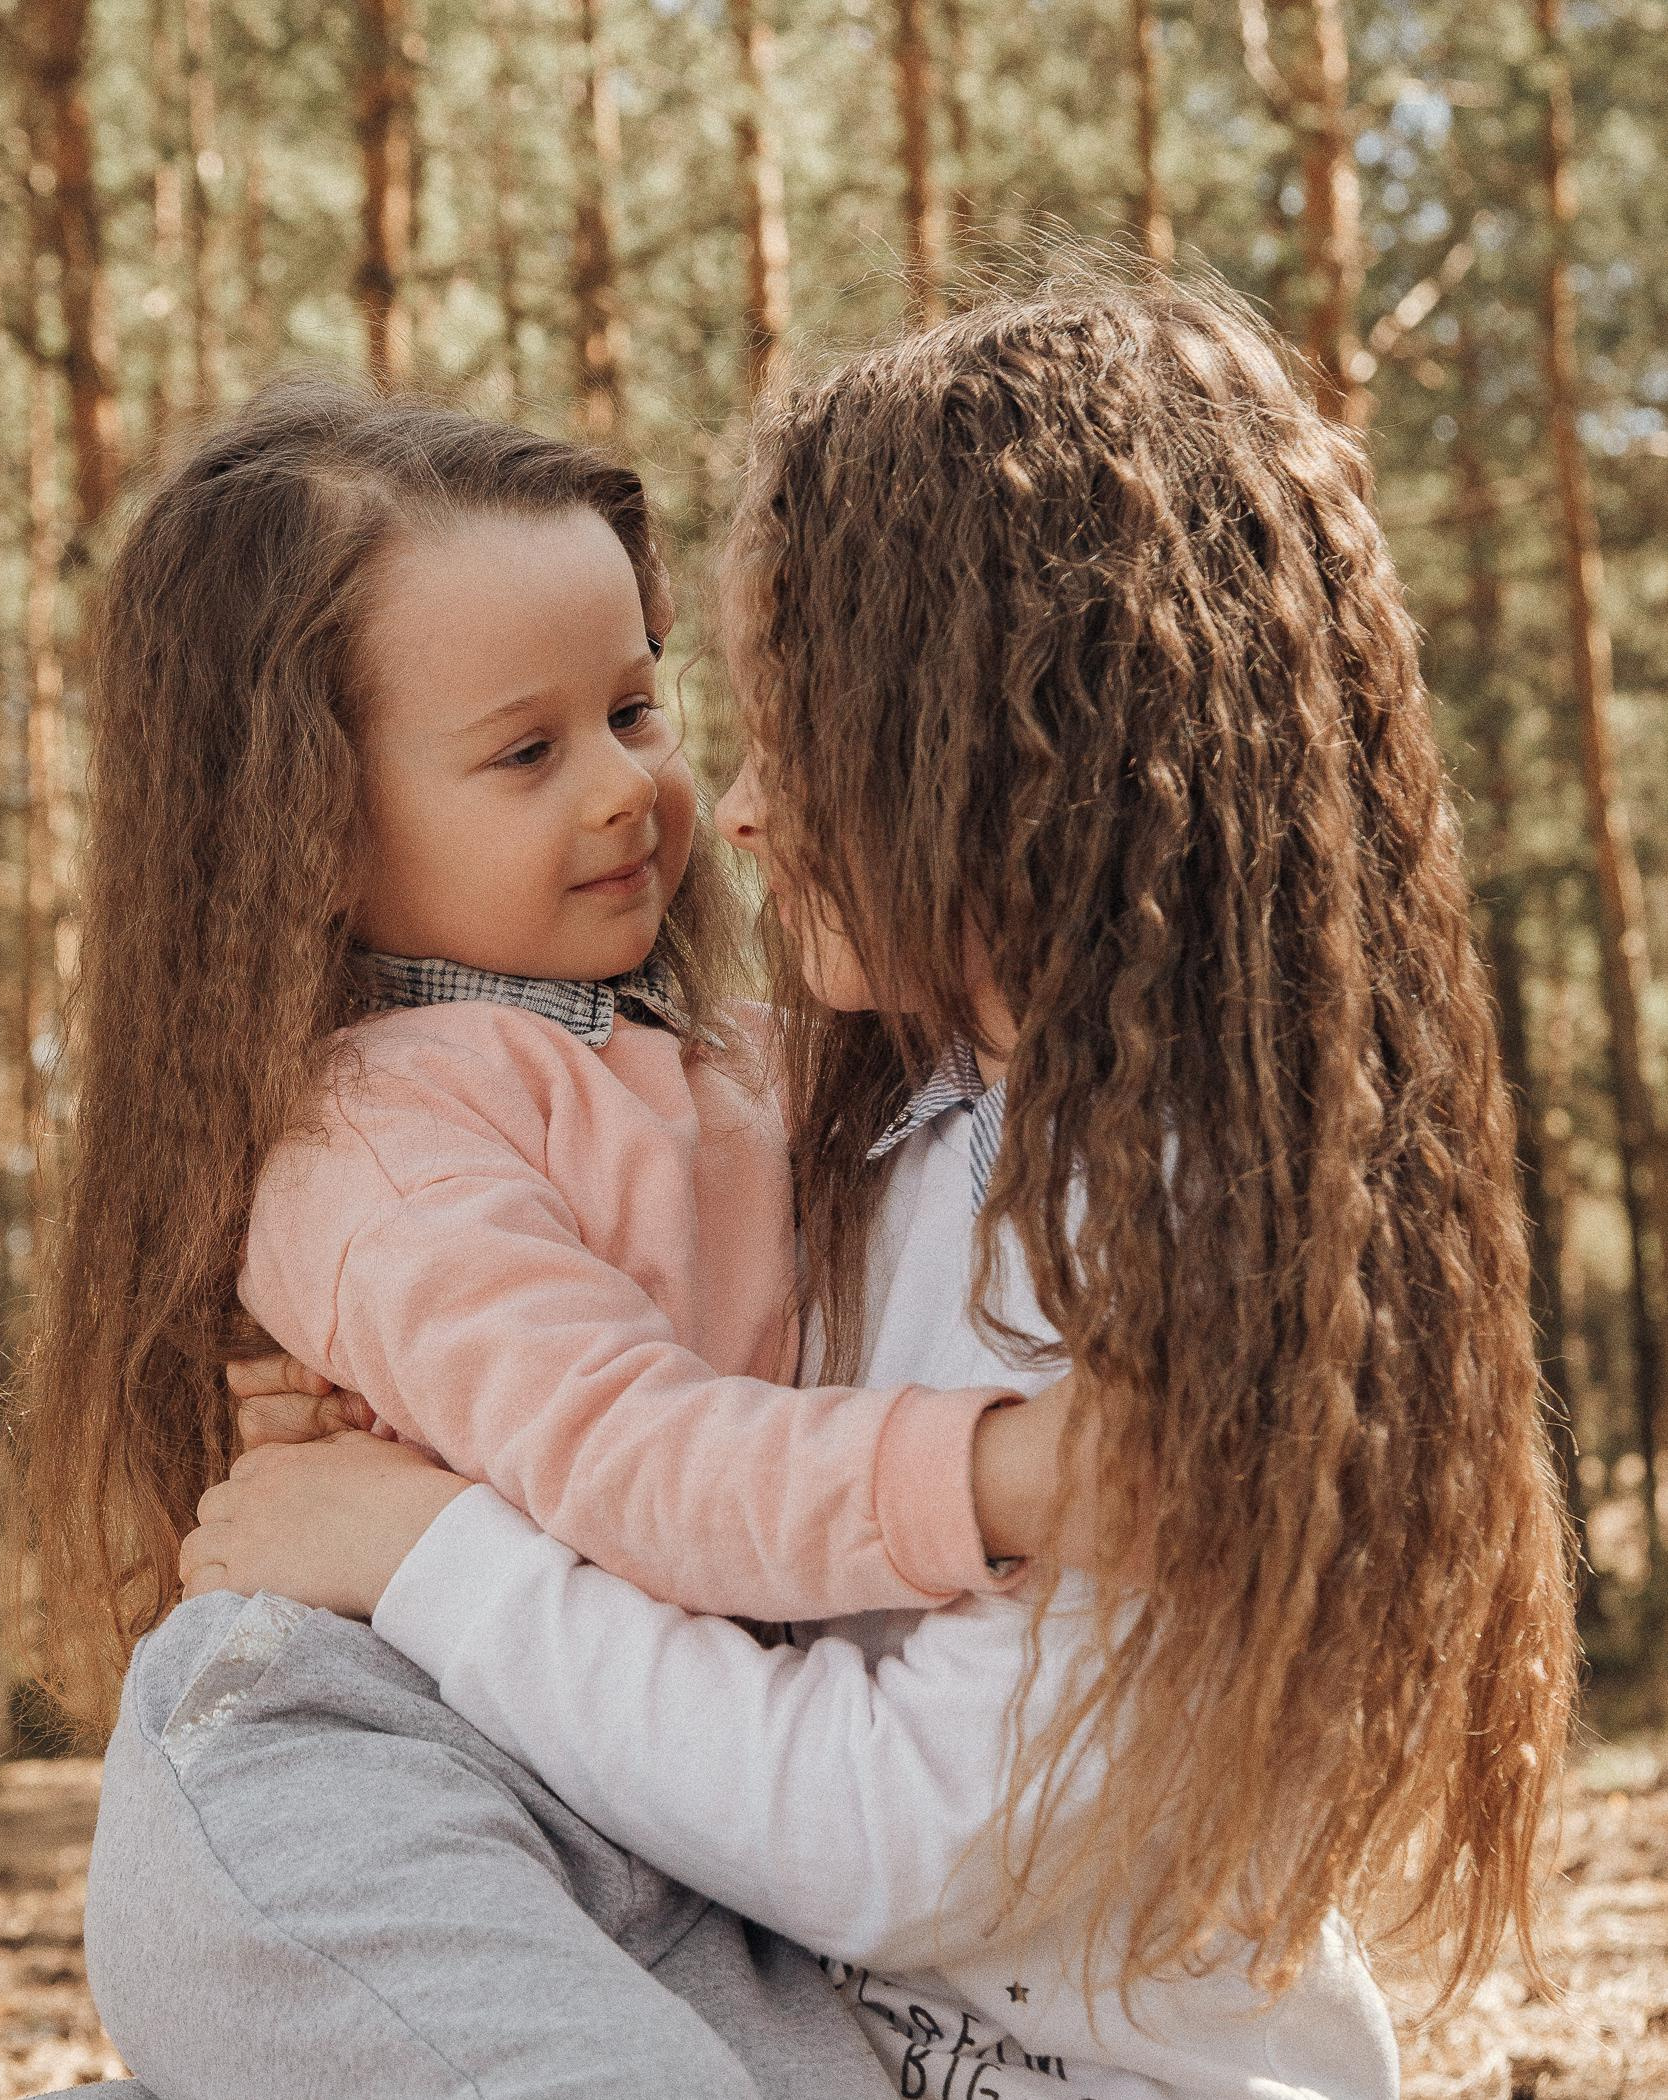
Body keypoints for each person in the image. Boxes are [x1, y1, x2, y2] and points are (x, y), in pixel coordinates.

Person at [174, 274, 1579, 2098]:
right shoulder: (896, 1112)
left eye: (774, 729)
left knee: (232, 1783)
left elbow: (890, 1834)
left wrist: (422, 1548)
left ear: (1017, 755)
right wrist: (422, 1410)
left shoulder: (1165, 1234)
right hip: (827, 2002)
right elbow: (650, 1391)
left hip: (1005, 2045)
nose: (724, 808)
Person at [15, 375, 1095, 2100]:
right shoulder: (383, 1139)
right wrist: (1003, 1476)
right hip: (410, 1767)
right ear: (307, 832)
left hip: (677, 1817)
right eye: (528, 752)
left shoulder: (742, 1060)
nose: (628, 790)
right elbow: (631, 1456)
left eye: (637, 710)